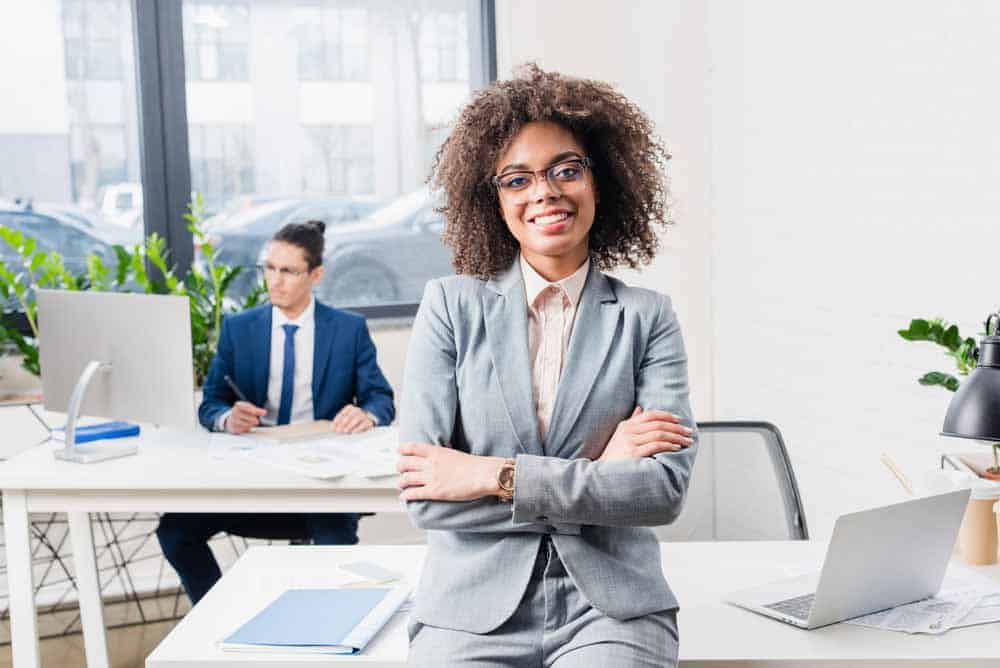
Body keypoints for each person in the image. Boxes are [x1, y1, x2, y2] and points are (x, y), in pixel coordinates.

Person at [397, 64, 698, 666]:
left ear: (600, 180)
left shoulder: (647, 317)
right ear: (494, 200)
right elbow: (427, 496)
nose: (545, 192)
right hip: (469, 612)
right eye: (517, 179)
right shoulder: (451, 308)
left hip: (611, 609)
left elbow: (660, 493)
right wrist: (600, 471)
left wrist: (491, 475)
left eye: (567, 169)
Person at [157, 220, 395, 604]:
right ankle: (219, 616)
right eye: (268, 268)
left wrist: (366, 414)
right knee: (175, 532)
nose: (274, 280)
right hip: (251, 473)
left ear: (316, 275)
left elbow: (380, 398)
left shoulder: (348, 330)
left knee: (335, 549)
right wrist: (226, 418)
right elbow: (211, 402)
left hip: (320, 480)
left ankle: (321, 642)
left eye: (287, 271)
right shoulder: (239, 328)